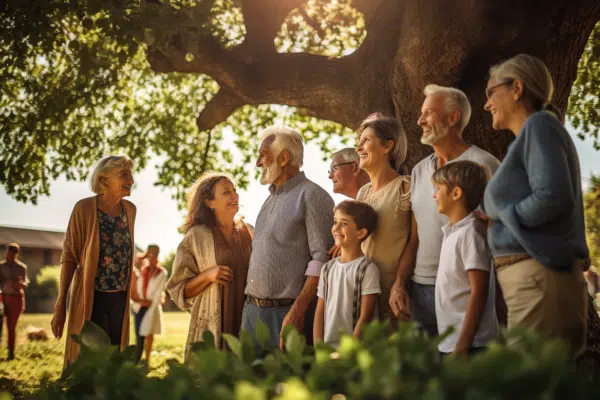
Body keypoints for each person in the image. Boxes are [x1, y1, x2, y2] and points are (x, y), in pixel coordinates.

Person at [482, 54, 589, 356]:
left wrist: (505, 218)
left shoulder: (540, 125)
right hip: (534, 282)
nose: (487, 104)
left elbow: (552, 197)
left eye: (491, 92)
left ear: (517, 88)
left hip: (541, 280)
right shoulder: (530, 136)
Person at [389, 85, 500, 336]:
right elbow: (415, 238)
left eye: (428, 113)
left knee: (463, 368)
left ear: (453, 118)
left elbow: (501, 233)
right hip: (420, 291)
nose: (419, 121)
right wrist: (399, 283)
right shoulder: (418, 171)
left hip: (465, 291)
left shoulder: (485, 165)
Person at [241, 125, 334, 349]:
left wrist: (297, 312)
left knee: (286, 383)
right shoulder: (268, 200)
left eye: (263, 155)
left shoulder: (313, 195)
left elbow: (322, 260)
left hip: (286, 314)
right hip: (251, 313)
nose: (258, 163)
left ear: (283, 158)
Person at [51, 155, 136, 367]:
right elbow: (70, 256)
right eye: (124, 175)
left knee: (115, 358)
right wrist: (61, 304)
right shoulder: (84, 208)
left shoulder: (130, 210)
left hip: (120, 298)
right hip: (92, 296)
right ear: (104, 180)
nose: (131, 180)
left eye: (131, 174)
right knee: (88, 359)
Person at [166, 172, 253, 360]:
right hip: (214, 322)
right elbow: (178, 288)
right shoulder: (196, 236)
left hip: (247, 318)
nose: (234, 196)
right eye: (226, 192)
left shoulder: (249, 231)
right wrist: (208, 275)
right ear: (209, 202)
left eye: (235, 191)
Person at [432, 161, 499, 356]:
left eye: (438, 189)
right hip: (453, 343)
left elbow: (479, 291)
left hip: (472, 345)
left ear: (456, 193)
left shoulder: (471, 233)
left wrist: (463, 344)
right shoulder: (453, 232)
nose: (434, 195)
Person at [355, 115, 412, 321]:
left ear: (388, 146)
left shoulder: (406, 186)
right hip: (361, 290)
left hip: (392, 293)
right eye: (358, 143)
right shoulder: (362, 193)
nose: (359, 148)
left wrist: (400, 283)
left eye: (366, 141)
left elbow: (415, 242)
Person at [314, 200, 380, 346]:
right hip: (327, 351)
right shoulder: (327, 269)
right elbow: (319, 312)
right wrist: (319, 348)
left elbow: (365, 316)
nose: (336, 228)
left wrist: (347, 353)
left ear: (361, 233)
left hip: (353, 352)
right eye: (335, 222)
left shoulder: (367, 269)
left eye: (344, 224)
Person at [130, 244, 168, 365]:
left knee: (149, 334)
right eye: (149, 254)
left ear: (157, 256)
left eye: (154, 254)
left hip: (152, 308)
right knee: (139, 334)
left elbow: (158, 293)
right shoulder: (142, 270)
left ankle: (147, 360)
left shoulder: (161, 273)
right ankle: (136, 360)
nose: (152, 257)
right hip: (139, 307)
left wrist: (151, 306)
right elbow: (133, 263)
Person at [0, 243, 29, 360]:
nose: (8, 255)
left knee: (11, 327)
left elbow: (25, 283)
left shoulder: (22, 267)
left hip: (16, 298)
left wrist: (19, 285)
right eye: (7, 253)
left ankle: (10, 354)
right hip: (3, 298)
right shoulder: (1, 266)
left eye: (11, 253)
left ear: (16, 254)